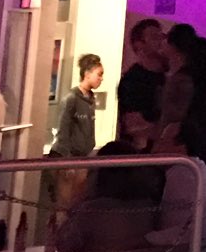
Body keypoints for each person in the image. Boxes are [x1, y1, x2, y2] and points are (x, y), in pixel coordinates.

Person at [154, 24, 206, 165]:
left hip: (179, 147)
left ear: (173, 47)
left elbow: (172, 117)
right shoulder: (203, 77)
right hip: (198, 147)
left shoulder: (181, 80)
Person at [46, 53, 103, 225]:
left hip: (81, 159)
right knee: (64, 205)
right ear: (87, 74)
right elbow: (63, 131)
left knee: (77, 203)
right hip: (69, 159)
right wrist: (66, 161)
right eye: (99, 74)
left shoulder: (90, 100)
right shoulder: (71, 99)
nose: (101, 79)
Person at [146, 125, 206, 247]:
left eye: (162, 141)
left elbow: (191, 231)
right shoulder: (201, 170)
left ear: (181, 146)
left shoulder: (182, 172)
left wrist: (147, 239)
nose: (154, 150)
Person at [116, 18, 166, 141]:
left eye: (162, 36)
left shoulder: (171, 75)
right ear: (139, 45)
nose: (162, 42)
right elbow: (134, 125)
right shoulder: (132, 80)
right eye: (154, 37)